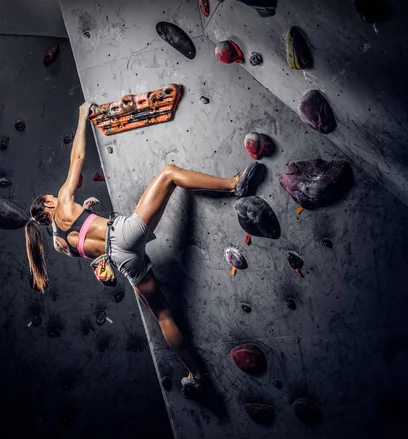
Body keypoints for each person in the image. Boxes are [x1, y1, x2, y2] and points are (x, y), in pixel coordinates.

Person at [24, 101, 265, 398]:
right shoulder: (61, 200)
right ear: (48, 204)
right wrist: (82, 115)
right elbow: (78, 157)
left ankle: (196, 374)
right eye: (52, 197)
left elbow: (84, 239)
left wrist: (84, 211)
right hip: (123, 232)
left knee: (163, 315)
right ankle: (234, 185)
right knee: (169, 174)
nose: (56, 197)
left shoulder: (58, 243)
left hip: (124, 262)